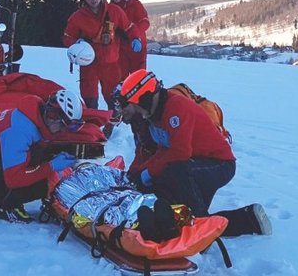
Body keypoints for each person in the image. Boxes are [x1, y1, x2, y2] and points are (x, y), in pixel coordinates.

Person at [116, 70, 272, 236]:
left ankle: (200, 232)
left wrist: (147, 173)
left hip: (219, 164)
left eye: (136, 106)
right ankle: (249, 219)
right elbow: (162, 150)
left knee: (175, 173)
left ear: (144, 98)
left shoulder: (176, 108)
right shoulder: (155, 115)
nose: (138, 112)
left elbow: (179, 153)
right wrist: (137, 174)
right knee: (180, 203)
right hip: (195, 163)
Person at [0, 90, 84, 223]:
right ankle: (6, 206)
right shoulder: (19, 130)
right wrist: (51, 166)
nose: (63, 131)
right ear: (52, 116)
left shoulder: (33, 118)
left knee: (43, 163)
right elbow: (14, 178)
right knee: (44, 184)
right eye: (64, 126)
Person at [63, 0, 142, 112]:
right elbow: (67, 36)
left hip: (111, 64)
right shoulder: (77, 17)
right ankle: (93, 124)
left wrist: (135, 38)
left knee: (114, 98)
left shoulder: (114, 11)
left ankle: (115, 125)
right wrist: (76, 43)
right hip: (89, 65)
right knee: (90, 99)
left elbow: (129, 27)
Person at [108, 0, 150, 79]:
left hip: (137, 47)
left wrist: (135, 35)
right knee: (121, 78)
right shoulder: (110, 8)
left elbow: (145, 22)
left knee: (139, 78)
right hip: (120, 48)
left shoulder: (135, 4)